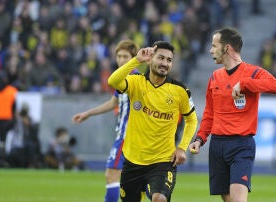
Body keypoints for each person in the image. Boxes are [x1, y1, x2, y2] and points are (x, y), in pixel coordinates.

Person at [188, 27, 276, 202]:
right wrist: (200, 139)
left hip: (241, 145)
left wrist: (244, 83)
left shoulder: (253, 72)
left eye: (214, 45)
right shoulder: (215, 77)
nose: (210, 50)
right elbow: (209, 113)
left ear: (227, 48)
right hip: (217, 146)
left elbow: (275, 86)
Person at [108, 41, 198, 202]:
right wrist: (136, 60)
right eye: (161, 58)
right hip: (132, 160)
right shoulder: (136, 82)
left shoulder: (180, 91)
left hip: (162, 162)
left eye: (169, 60)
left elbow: (192, 120)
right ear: (150, 59)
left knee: (159, 199)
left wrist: (182, 148)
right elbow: (113, 81)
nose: (165, 63)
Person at [72, 40, 139, 202]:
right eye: (119, 56)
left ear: (134, 58)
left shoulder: (135, 79)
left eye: (125, 56)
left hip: (127, 137)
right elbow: (113, 103)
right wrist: (88, 113)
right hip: (126, 137)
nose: (121, 60)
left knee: (111, 175)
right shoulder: (122, 79)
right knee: (127, 182)